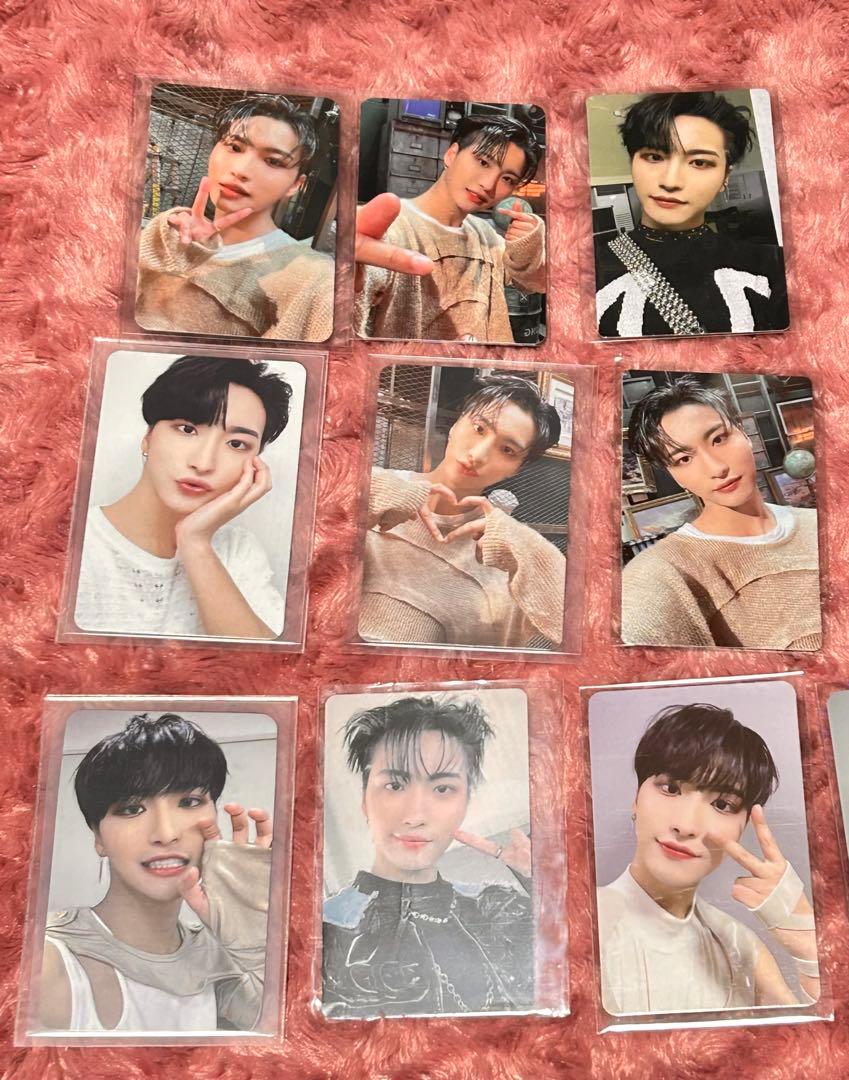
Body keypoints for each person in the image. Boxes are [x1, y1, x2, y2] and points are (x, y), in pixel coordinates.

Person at [37, 713, 273, 1032]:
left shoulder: (214, 957)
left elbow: (301, 1042)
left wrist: (262, 942)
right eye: (132, 809)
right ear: (98, 837)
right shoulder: (43, 959)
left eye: (189, 802)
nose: (166, 833)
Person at [596, 702, 818, 1015]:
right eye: (671, 788)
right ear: (636, 800)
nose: (686, 825)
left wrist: (808, 944)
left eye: (722, 805)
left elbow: (821, 1042)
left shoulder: (740, 946)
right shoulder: (583, 922)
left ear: (743, 827)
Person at [321, 695, 533, 1017]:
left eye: (443, 789)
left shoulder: (496, 907)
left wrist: (547, 886)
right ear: (365, 801)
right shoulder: (325, 927)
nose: (415, 816)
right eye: (394, 785)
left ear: (465, 803)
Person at [74, 355, 291, 639]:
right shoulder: (72, 543)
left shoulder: (238, 550)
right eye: (188, 429)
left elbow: (269, 662)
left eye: (237, 444)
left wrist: (195, 541)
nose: (204, 463)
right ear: (148, 437)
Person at [358, 373, 565, 648]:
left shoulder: (498, 553)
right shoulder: (372, 487)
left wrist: (531, 552)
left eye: (507, 450)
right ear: (456, 424)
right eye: (479, 428)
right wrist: (372, 494)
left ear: (517, 469)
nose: (478, 455)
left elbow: (574, 632)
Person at [620, 377, 820, 649]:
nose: (717, 468)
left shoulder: (817, 524)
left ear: (744, 433)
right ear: (674, 475)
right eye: (684, 459)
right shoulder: (667, 570)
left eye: (718, 439)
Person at [136, 94, 334, 341]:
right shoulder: (169, 232)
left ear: (295, 184)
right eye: (235, 147)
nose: (241, 170)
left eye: (273, 161)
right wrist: (168, 251)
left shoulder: (311, 275)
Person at [593, 91, 788, 338]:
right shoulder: (585, 269)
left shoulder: (775, 267)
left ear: (725, 177)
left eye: (699, 162)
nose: (670, 181)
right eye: (654, 157)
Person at [354, 114, 545, 344]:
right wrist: (349, 276)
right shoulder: (394, 227)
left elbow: (534, 283)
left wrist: (528, 245)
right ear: (451, 155)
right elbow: (363, 278)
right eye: (483, 162)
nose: (488, 185)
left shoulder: (485, 235)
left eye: (507, 179)